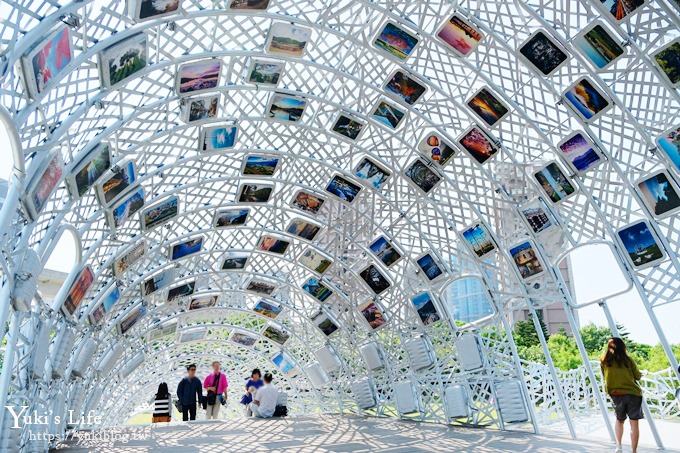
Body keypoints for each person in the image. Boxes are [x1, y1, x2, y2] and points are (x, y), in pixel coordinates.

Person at [600, 337, 644, 453]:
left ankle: (618, 447)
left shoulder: (604, 361)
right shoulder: (628, 360)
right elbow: (638, 376)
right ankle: (634, 451)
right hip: (633, 394)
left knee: (619, 420)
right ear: (623, 347)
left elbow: (604, 377)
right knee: (634, 423)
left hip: (616, 394)